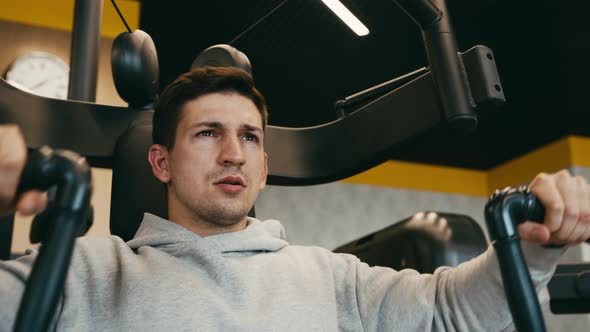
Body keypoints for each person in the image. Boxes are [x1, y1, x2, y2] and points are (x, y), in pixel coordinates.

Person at [0, 66, 589, 331]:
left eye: (249, 138)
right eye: (208, 134)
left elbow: (452, 313)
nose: (233, 153)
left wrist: (536, 247)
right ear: (160, 162)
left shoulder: (331, 279)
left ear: (262, 169)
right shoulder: (82, 273)